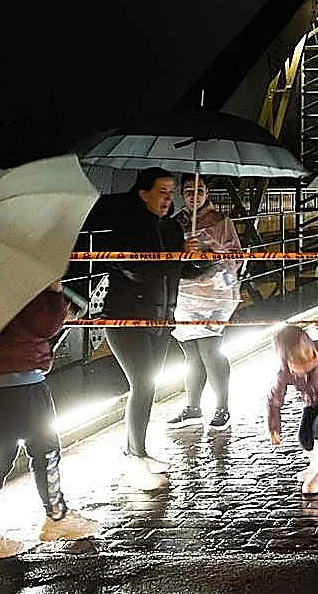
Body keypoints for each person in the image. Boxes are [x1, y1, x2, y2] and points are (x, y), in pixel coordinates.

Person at [0, 282, 100, 561]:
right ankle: (57, 518)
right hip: (23, 380)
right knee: (45, 448)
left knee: (0, 454)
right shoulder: (20, 278)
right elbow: (45, 325)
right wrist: (55, 293)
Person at [81, 166, 197, 491]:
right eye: (162, 192)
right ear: (142, 193)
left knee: (149, 386)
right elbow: (137, 270)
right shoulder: (125, 227)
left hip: (162, 320)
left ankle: (139, 451)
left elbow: (180, 273)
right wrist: (177, 258)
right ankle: (134, 456)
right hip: (126, 320)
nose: (167, 199)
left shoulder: (173, 228)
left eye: (171, 193)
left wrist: (202, 260)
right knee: (143, 385)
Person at [167, 175, 242, 432]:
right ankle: (193, 407)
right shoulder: (175, 223)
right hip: (185, 297)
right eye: (188, 191)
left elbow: (235, 256)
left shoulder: (221, 222)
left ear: (207, 192)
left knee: (211, 351)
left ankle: (223, 407)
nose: (193, 195)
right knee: (191, 354)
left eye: (199, 190)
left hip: (213, 298)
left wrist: (210, 251)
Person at [266, 322, 318, 495]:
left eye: (310, 355)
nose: (307, 363)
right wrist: (274, 427)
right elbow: (274, 401)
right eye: (299, 362)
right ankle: (315, 465)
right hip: (312, 401)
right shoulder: (284, 374)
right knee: (304, 436)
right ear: (287, 362)